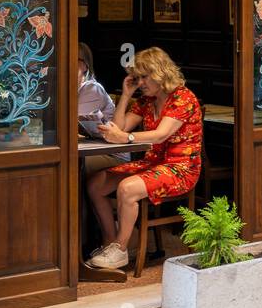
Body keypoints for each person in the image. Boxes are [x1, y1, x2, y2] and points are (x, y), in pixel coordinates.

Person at [84, 47, 202, 270]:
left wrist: (125, 137)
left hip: (180, 169)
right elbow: (119, 128)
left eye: (144, 77)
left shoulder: (183, 98)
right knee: (95, 184)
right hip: (152, 164)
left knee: (127, 188)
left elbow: (161, 134)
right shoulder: (146, 101)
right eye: (138, 78)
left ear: (160, 73)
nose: (141, 82)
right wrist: (126, 94)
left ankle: (120, 249)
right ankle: (110, 243)